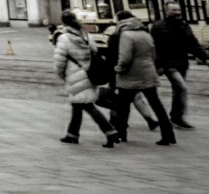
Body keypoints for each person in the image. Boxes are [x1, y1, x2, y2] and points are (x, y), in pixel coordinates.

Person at [109, 12, 176, 145]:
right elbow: (154, 54)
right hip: (148, 73)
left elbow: (125, 58)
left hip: (130, 75)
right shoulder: (145, 33)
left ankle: (121, 134)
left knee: (123, 106)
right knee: (157, 105)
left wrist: (119, 69)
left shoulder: (124, 35)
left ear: (120, 21)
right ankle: (168, 135)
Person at [51, 11, 114, 146]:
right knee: (77, 105)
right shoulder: (86, 35)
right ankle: (72, 134)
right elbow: (95, 51)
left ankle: (110, 131)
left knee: (87, 105)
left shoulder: (64, 38)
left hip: (74, 74)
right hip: (89, 73)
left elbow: (59, 61)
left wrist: (61, 74)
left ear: (63, 22)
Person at [151, 4, 209, 129]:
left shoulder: (184, 24)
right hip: (168, 63)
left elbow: (192, 43)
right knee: (181, 87)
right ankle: (177, 118)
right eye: (174, 10)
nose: (177, 12)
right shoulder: (158, 26)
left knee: (178, 89)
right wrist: (158, 65)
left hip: (182, 62)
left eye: (178, 9)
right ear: (166, 11)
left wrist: (205, 58)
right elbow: (154, 47)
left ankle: (176, 117)